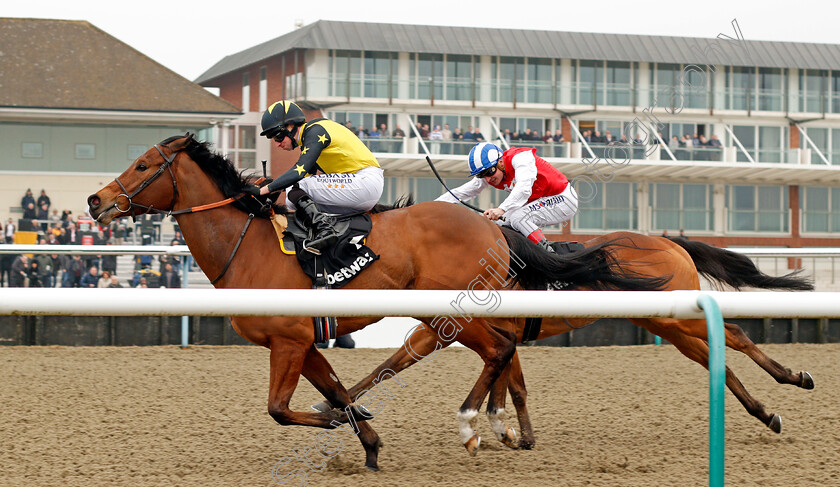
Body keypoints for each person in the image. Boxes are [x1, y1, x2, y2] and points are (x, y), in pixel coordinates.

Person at [258, 100, 384, 252]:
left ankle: (325, 231)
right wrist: (276, 189)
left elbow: (299, 172)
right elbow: (302, 181)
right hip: (362, 186)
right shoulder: (310, 139)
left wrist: (263, 190)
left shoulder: (315, 131)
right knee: (292, 197)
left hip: (365, 181)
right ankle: (315, 236)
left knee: (296, 188)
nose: (277, 144)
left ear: (290, 127)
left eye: (277, 137)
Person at [435, 142, 578, 252]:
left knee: (518, 217)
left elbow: (523, 188)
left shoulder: (521, 158)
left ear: (501, 162)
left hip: (563, 198)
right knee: (499, 227)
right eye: (481, 175)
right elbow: (460, 193)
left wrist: (501, 209)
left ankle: (550, 259)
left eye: (489, 172)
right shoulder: (490, 173)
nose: (488, 178)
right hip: (543, 200)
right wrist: (429, 207)